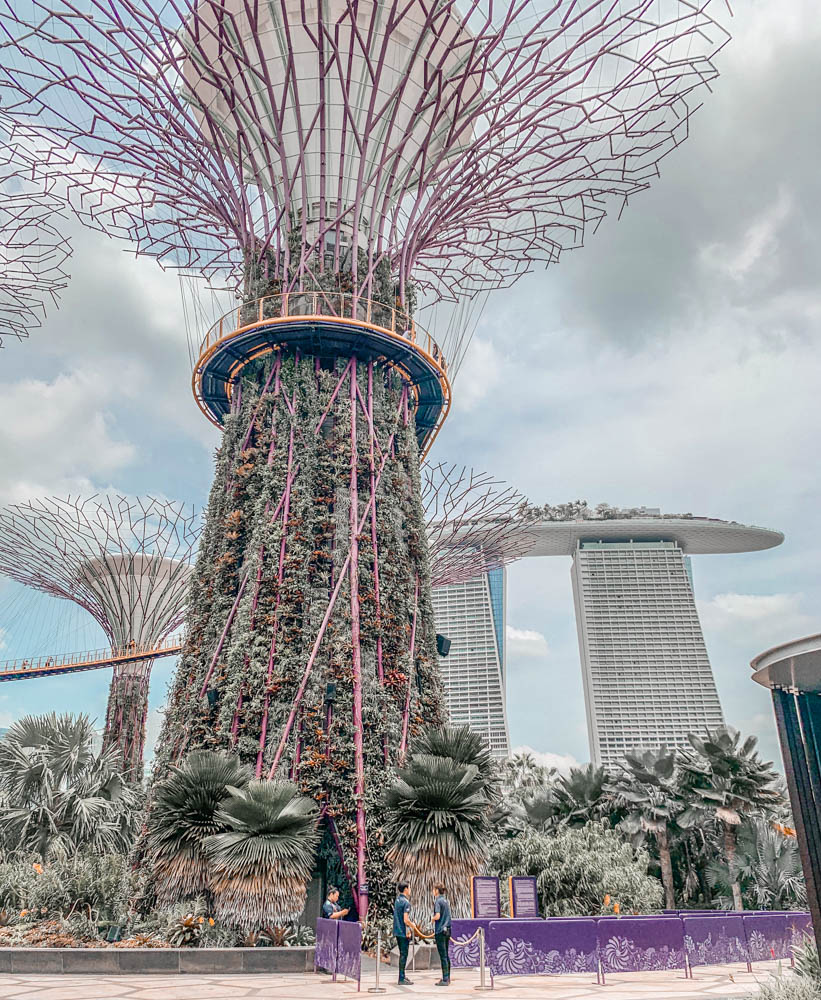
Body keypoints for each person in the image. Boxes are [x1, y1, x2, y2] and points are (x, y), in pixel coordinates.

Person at [431, 883, 452, 986]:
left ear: (437, 890)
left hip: (440, 931)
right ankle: (448, 977)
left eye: (434, 890)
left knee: (442, 955)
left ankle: (445, 979)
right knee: (446, 954)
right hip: (447, 930)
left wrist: (433, 919)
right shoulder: (445, 901)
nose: (433, 892)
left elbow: (438, 916)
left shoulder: (438, 902)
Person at [393, 882, 414, 985]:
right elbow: (406, 920)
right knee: (404, 955)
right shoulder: (406, 902)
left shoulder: (397, 900)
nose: (410, 890)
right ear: (406, 889)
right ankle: (401, 978)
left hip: (397, 930)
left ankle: (403, 975)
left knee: (402, 954)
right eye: (409, 888)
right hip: (403, 932)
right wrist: (412, 925)